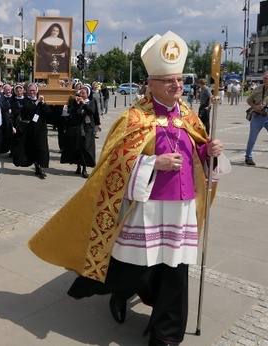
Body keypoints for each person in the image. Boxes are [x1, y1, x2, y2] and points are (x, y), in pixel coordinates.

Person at [28, 31, 230, 346]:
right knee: (138, 266)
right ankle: (119, 295)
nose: (176, 85)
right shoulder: (134, 118)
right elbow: (112, 165)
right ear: (151, 84)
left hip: (181, 206)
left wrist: (210, 153)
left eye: (179, 80)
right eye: (168, 80)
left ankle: (166, 335)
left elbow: (199, 159)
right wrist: (152, 164)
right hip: (146, 207)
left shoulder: (191, 117)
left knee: (175, 270)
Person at [12, 83, 52, 179]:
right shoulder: (26, 100)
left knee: (42, 147)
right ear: (27, 92)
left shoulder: (42, 101)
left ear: (37, 91)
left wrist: (43, 104)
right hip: (30, 128)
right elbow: (27, 110)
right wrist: (37, 102)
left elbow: (49, 112)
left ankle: (42, 168)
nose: (32, 92)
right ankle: (36, 166)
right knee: (32, 147)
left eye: (34, 90)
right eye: (30, 91)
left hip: (41, 128)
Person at [60, 86, 98, 178]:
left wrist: (98, 124)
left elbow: (92, 112)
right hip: (77, 127)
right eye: (80, 93)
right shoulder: (75, 102)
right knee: (77, 147)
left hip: (87, 128)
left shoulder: (91, 102)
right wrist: (76, 104)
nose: (82, 95)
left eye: (84, 93)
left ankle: (85, 168)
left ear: (87, 94)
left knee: (85, 147)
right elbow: (72, 113)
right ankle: (78, 167)